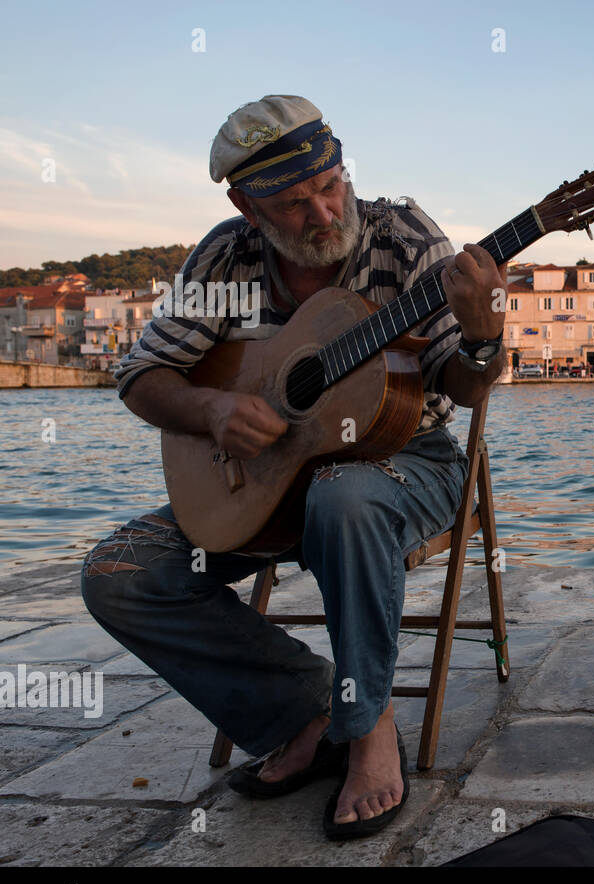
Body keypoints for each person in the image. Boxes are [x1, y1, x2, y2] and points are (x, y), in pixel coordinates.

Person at [79, 95, 507, 839]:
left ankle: (368, 728)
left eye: (331, 184)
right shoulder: (225, 256)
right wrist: (212, 411)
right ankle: (305, 716)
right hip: (273, 481)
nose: (322, 211)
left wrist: (481, 338)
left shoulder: (403, 238)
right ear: (247, 205)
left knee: (344, 497)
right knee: (120, 574)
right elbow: (141, 375)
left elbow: (462, 387)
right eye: (293, 201)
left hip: (406, 462)